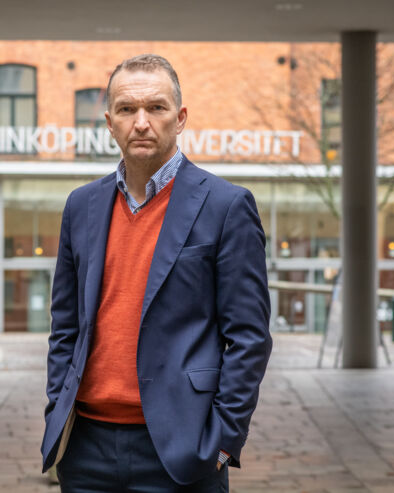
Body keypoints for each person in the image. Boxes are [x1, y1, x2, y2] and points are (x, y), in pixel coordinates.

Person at [41, 54, 272, 492]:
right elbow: (65, 326)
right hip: (86, 450)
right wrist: (57, 409)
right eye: (127, 109)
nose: (141, 123)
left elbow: (250, 336)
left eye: (156, 108)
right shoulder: (81, 206)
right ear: (110, 123)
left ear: (180, 118)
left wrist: (223, 442)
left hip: (183, 450)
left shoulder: (226, 206)